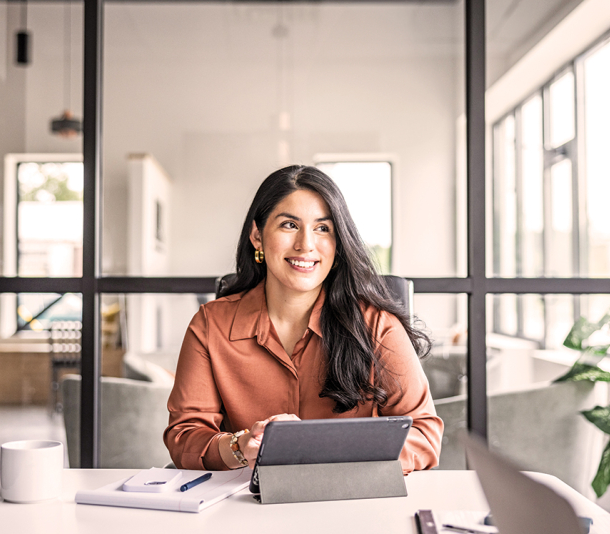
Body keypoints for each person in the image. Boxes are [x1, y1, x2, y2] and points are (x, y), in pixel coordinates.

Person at [164, 165, 443, 473]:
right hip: (245, 505)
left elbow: (423, 435)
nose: (306, 245)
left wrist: (323, 448)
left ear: (338, 244)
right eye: (289, 225)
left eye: (323, 229)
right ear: (257, 236)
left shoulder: (377, 326)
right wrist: (240, 447)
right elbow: (184, 436)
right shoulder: (210, 324)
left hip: (351, 502)